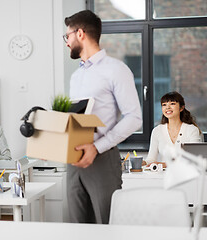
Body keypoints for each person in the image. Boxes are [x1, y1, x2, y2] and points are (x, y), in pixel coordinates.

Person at [64, 10, 142, 224]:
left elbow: (134, 117)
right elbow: (80, 117)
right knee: (76, 226)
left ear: (80, 33)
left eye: (67, 36)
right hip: (73, 161)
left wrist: (97, 147)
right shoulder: (76, 75)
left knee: (107, 224)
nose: (66, 42)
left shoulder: (116, 70)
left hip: (101, 159)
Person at [144, 91, 203, 168]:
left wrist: (165, 164)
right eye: (164, 105)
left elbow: (193, 160)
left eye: (172, 104)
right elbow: (151, 159)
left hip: (187, 175)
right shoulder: (157, 131)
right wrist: (141, 163)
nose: (167, 107)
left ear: (181, 108)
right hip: (163, 176)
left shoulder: (192, 130)